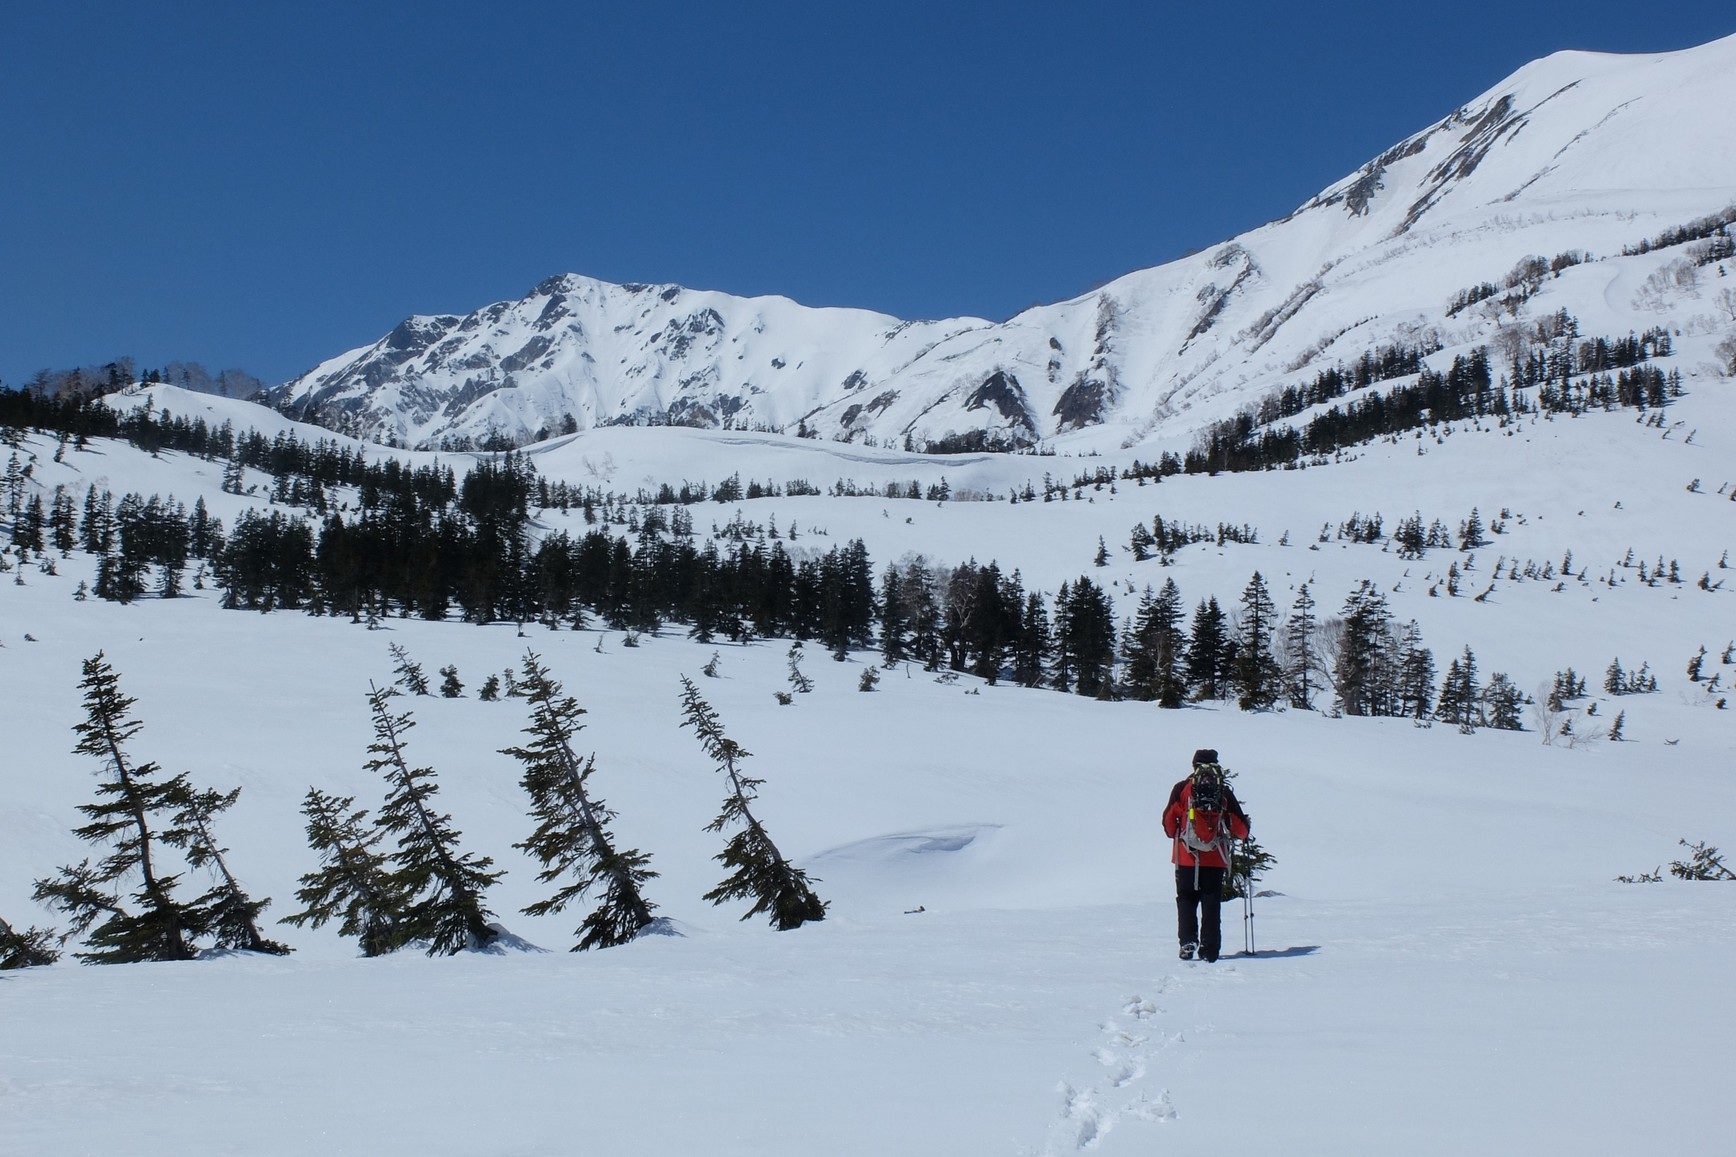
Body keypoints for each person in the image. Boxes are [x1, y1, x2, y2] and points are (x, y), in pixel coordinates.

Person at [1162, 748, 1250, 962]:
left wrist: (1177, 833)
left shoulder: (1182, 789)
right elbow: (1240, 829)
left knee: (1186, 899)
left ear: (1194, 766)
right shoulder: (1223, 792)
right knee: (1211, 901)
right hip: (1215, 857)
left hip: (1186, 856)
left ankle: (1187, 942)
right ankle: (1210, 950)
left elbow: (1167, 823)